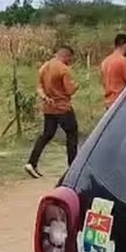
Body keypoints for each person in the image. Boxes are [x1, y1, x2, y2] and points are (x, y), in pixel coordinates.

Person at [25, 46, 78, 179]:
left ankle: (32, 162)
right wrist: (76, 86)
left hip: (49, 107)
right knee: (72, 134)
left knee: (46, 134)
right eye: (69, 58)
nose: (70, 61)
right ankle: (73, 167)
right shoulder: (64, 69)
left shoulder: (44, 67)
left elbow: (39, 87)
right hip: (63, 107)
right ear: (65, 56)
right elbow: (69, 91)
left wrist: (44, 97)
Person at [100, 33, 126, 109]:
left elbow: (104, 83)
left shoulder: (105, 62)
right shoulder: (123, 61)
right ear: (125, 45)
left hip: (109, 103)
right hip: (121, 102)